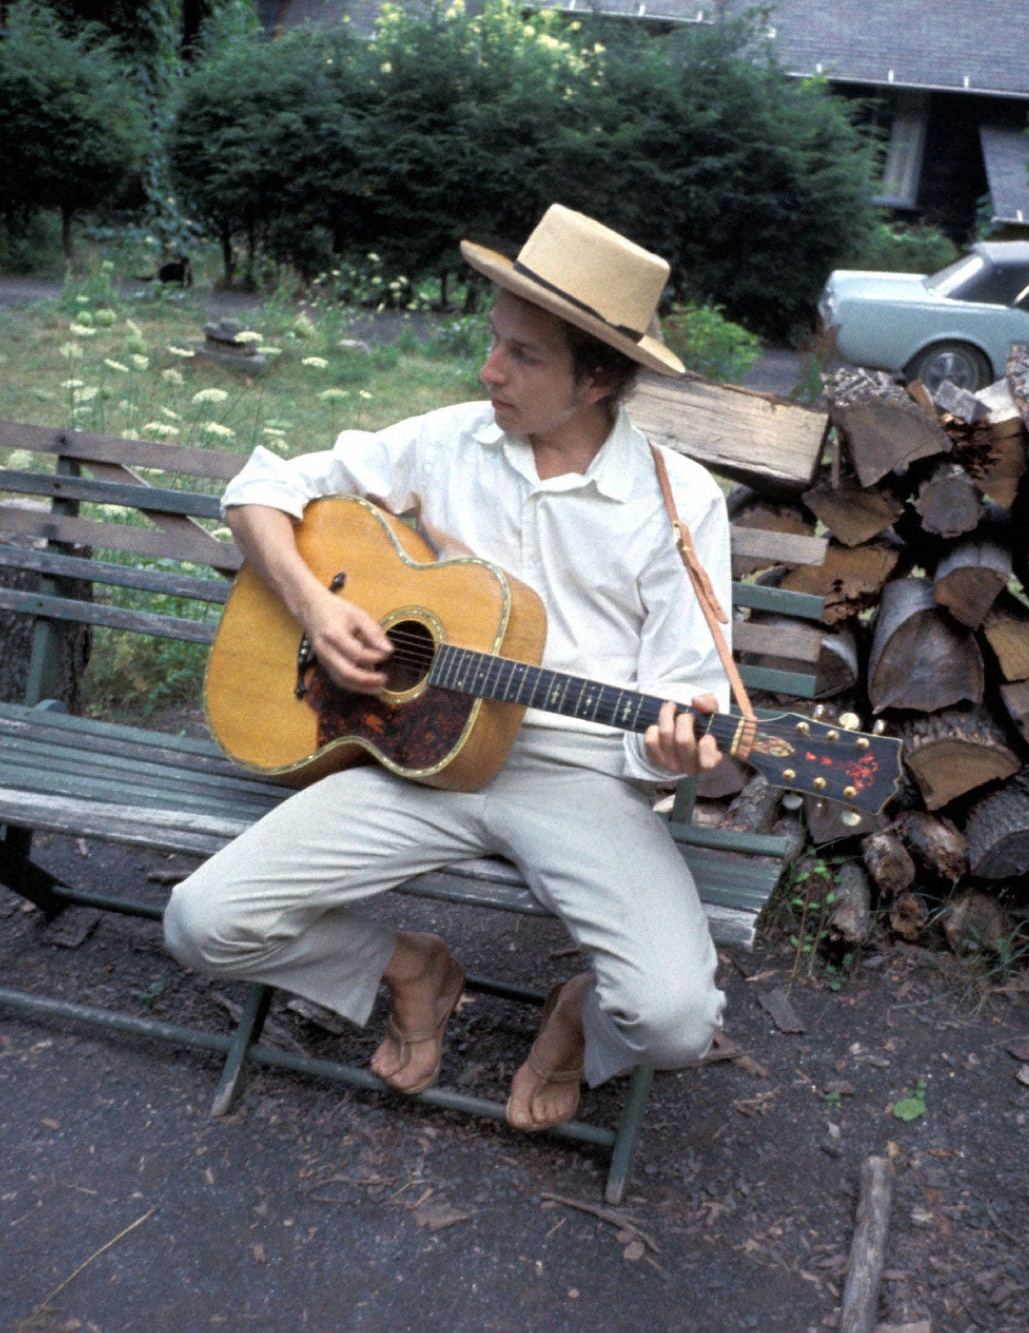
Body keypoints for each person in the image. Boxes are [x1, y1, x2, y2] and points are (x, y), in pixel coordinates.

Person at [163, 204, 732, 1132]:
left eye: (523, 356)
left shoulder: (678, 503)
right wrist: (318, 605)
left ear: (597, 379)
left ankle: (576, 1022)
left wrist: (670, 753)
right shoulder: (446, 439)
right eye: (493, 340)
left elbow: (683, 690)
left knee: (672, 1019)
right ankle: (410, 967)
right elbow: (258, 487)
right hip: (411, 756)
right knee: (202, 923)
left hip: (576, 775)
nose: (489, 369)